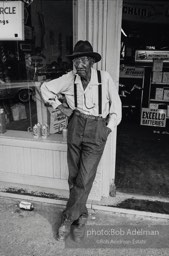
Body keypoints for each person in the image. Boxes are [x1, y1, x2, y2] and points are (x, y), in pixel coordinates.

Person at [40, 40, 122, 241]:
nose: (80, 64)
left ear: (92, 62)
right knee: (74, 177)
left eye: (84, 59)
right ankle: (81, 217)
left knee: (84, 178)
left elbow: (116, 106)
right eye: (77, 60)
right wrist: (61, 107)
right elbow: (45, 88)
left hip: (97, 129)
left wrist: (107, 129)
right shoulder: (70, 79)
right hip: (76, 126)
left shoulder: (105, 78)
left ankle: (68, 218)